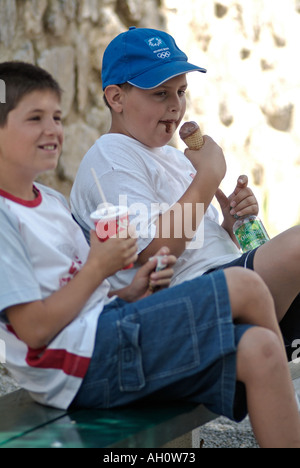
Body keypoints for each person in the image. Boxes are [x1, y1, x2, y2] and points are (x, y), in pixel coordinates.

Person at [1, 61, 300, 449]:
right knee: (253, 282)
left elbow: (85, 293)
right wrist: (207, 177)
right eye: (35, 118)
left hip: (112, 328)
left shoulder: (52, 203)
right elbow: (36, 330)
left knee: (259, 349)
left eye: (57, 117)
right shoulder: (106, 160)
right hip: (82, 362)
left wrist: (127, 291)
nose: (53, 129)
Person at [70, 27, 300, 360]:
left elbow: (192, 244)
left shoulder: (174, 158)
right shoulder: (110, 157)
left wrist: (228, 226)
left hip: (219, 279)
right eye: (160, 94)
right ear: (116, 98)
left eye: (181, 91)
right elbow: (154, 251)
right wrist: (207, 179)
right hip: (181, 304)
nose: (176, 105)